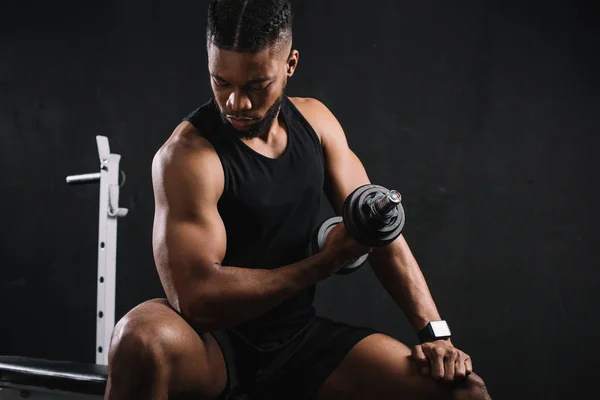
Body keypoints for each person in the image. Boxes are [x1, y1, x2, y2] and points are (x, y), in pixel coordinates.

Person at [105, 1, 492, 399]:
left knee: (464, 392)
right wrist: (323, 264)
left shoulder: (317, 124)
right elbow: (196, 300)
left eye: (255, 85)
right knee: (139, 336)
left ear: (289, 65)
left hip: (298, 340)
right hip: (213, 347)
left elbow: (378, 232)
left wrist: (436, 333)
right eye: (221, 82)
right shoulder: (188, 156)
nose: (236, 102)